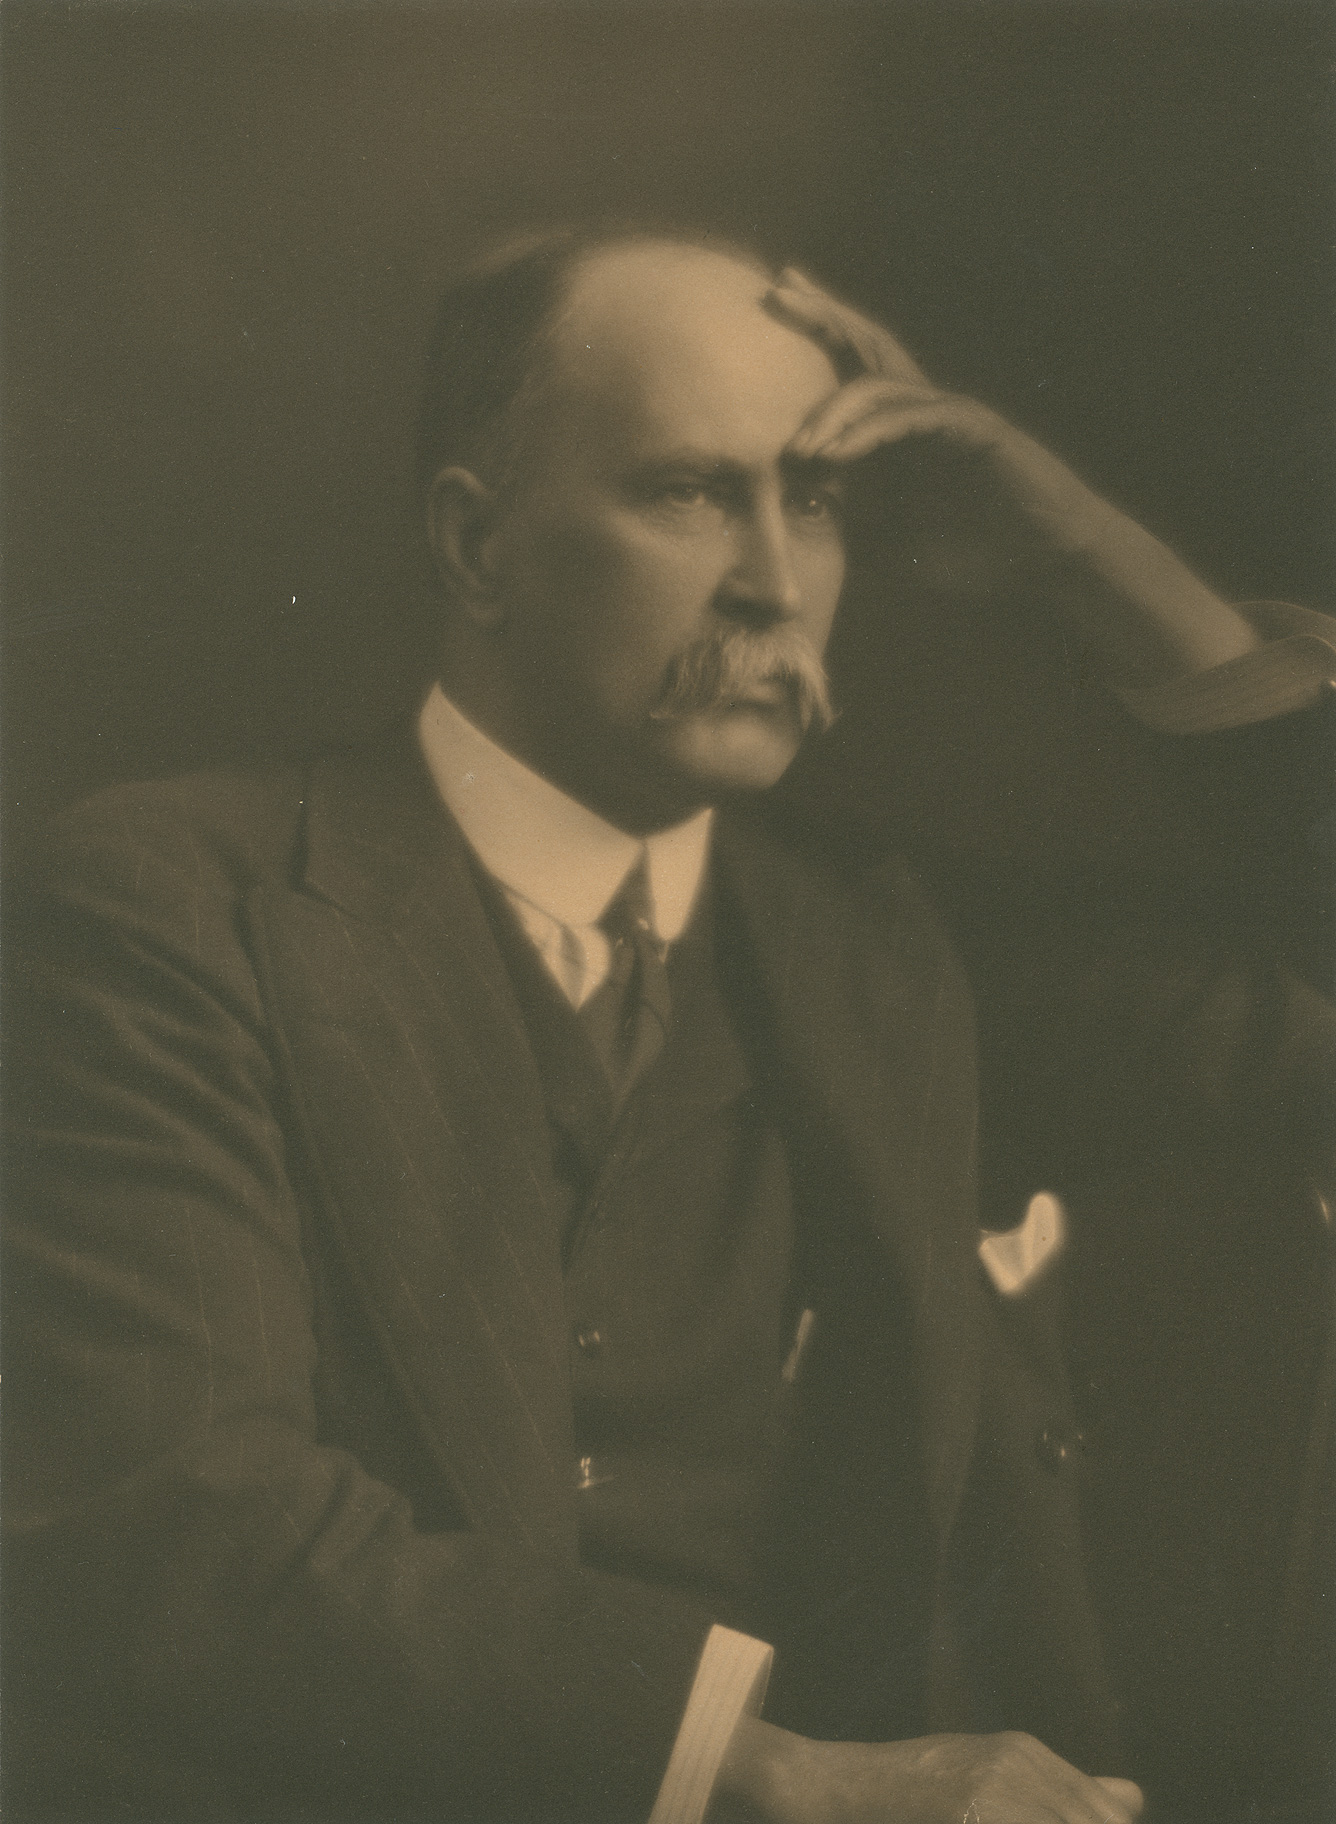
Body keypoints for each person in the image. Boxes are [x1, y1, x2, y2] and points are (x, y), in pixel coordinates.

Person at [4, 225, 1332, 1824]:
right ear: (477, 546)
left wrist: (1089, 561)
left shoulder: (891, 950)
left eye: (816, 499)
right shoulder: (173, 907)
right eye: (692, 493)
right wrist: (767, 1773)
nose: (775, 581)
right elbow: (180, 1518)